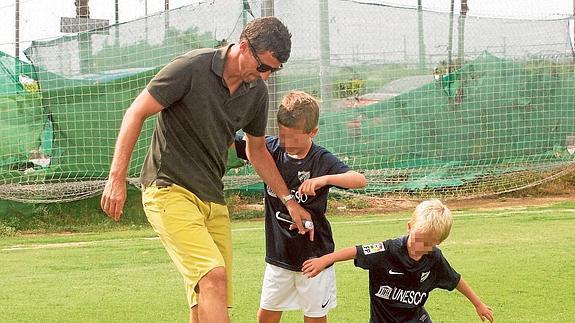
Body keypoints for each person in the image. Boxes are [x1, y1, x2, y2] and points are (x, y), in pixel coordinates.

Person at [100, 17, 314, 323]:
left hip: (213, 198)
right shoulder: (190, 68)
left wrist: (289, 201)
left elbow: (257, 151)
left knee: (210, 297)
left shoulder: (256, 93)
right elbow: (136, 113)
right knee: (213, 276)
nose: (265, 77)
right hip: (168, 189)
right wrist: (116, 178)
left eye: (273, 71)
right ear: (244, 47)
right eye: (263, 67)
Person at [234, 90, 367, 323]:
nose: (286, 143)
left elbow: (359, 180)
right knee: (265, 317)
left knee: (314, 318)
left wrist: (324, 179)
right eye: (282, 135)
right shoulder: (270, 149)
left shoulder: (320, 159)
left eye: (294, 137)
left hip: (315, 257)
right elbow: (233, 139)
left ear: (312, 132)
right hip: (279, 256)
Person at [302, 200, 494, 323]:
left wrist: (478, 304)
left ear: (438, 243)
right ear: (409, 227)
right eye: (418, 238)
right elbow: (355, 251)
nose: (420, 246)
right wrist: (324, 260)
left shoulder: (435, 259)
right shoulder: (387, 250)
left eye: (429, 243)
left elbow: (455, 279)